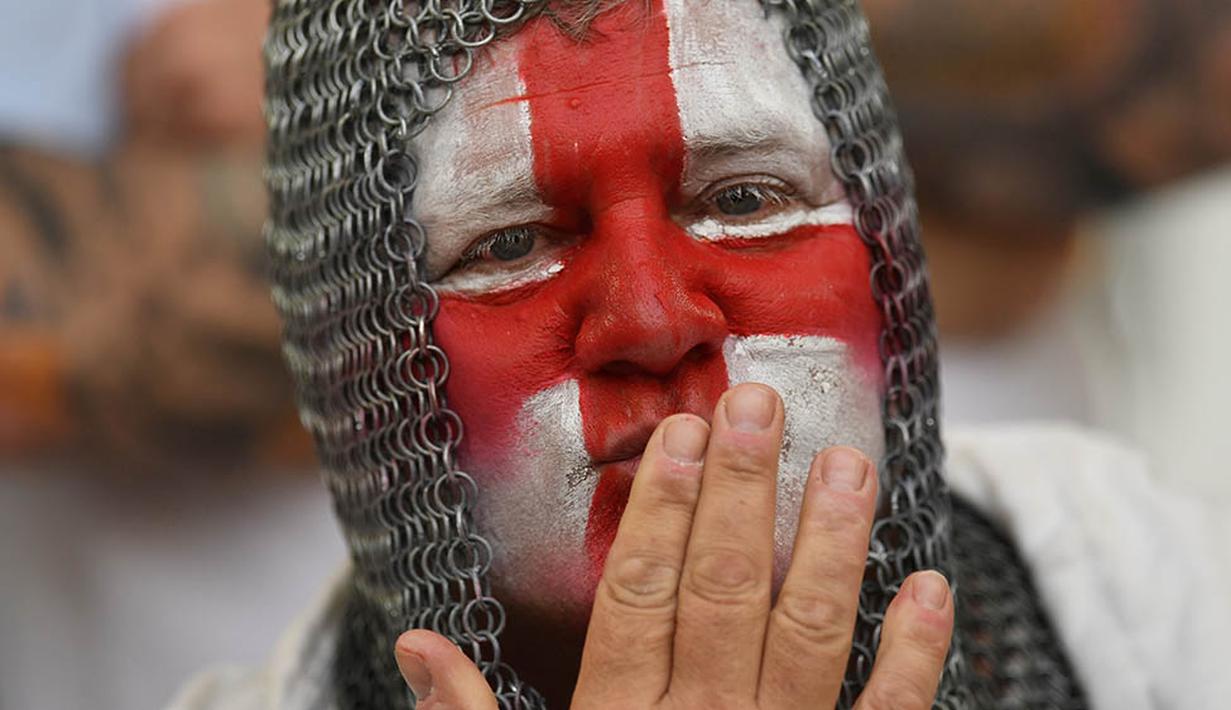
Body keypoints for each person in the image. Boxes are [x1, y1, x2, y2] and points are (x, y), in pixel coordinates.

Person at [171, 1, 1231, 709]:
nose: (649, 318)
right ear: (360, 365)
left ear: (887, 256)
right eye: (508, 242)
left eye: (743, 198)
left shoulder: (1149, 600)